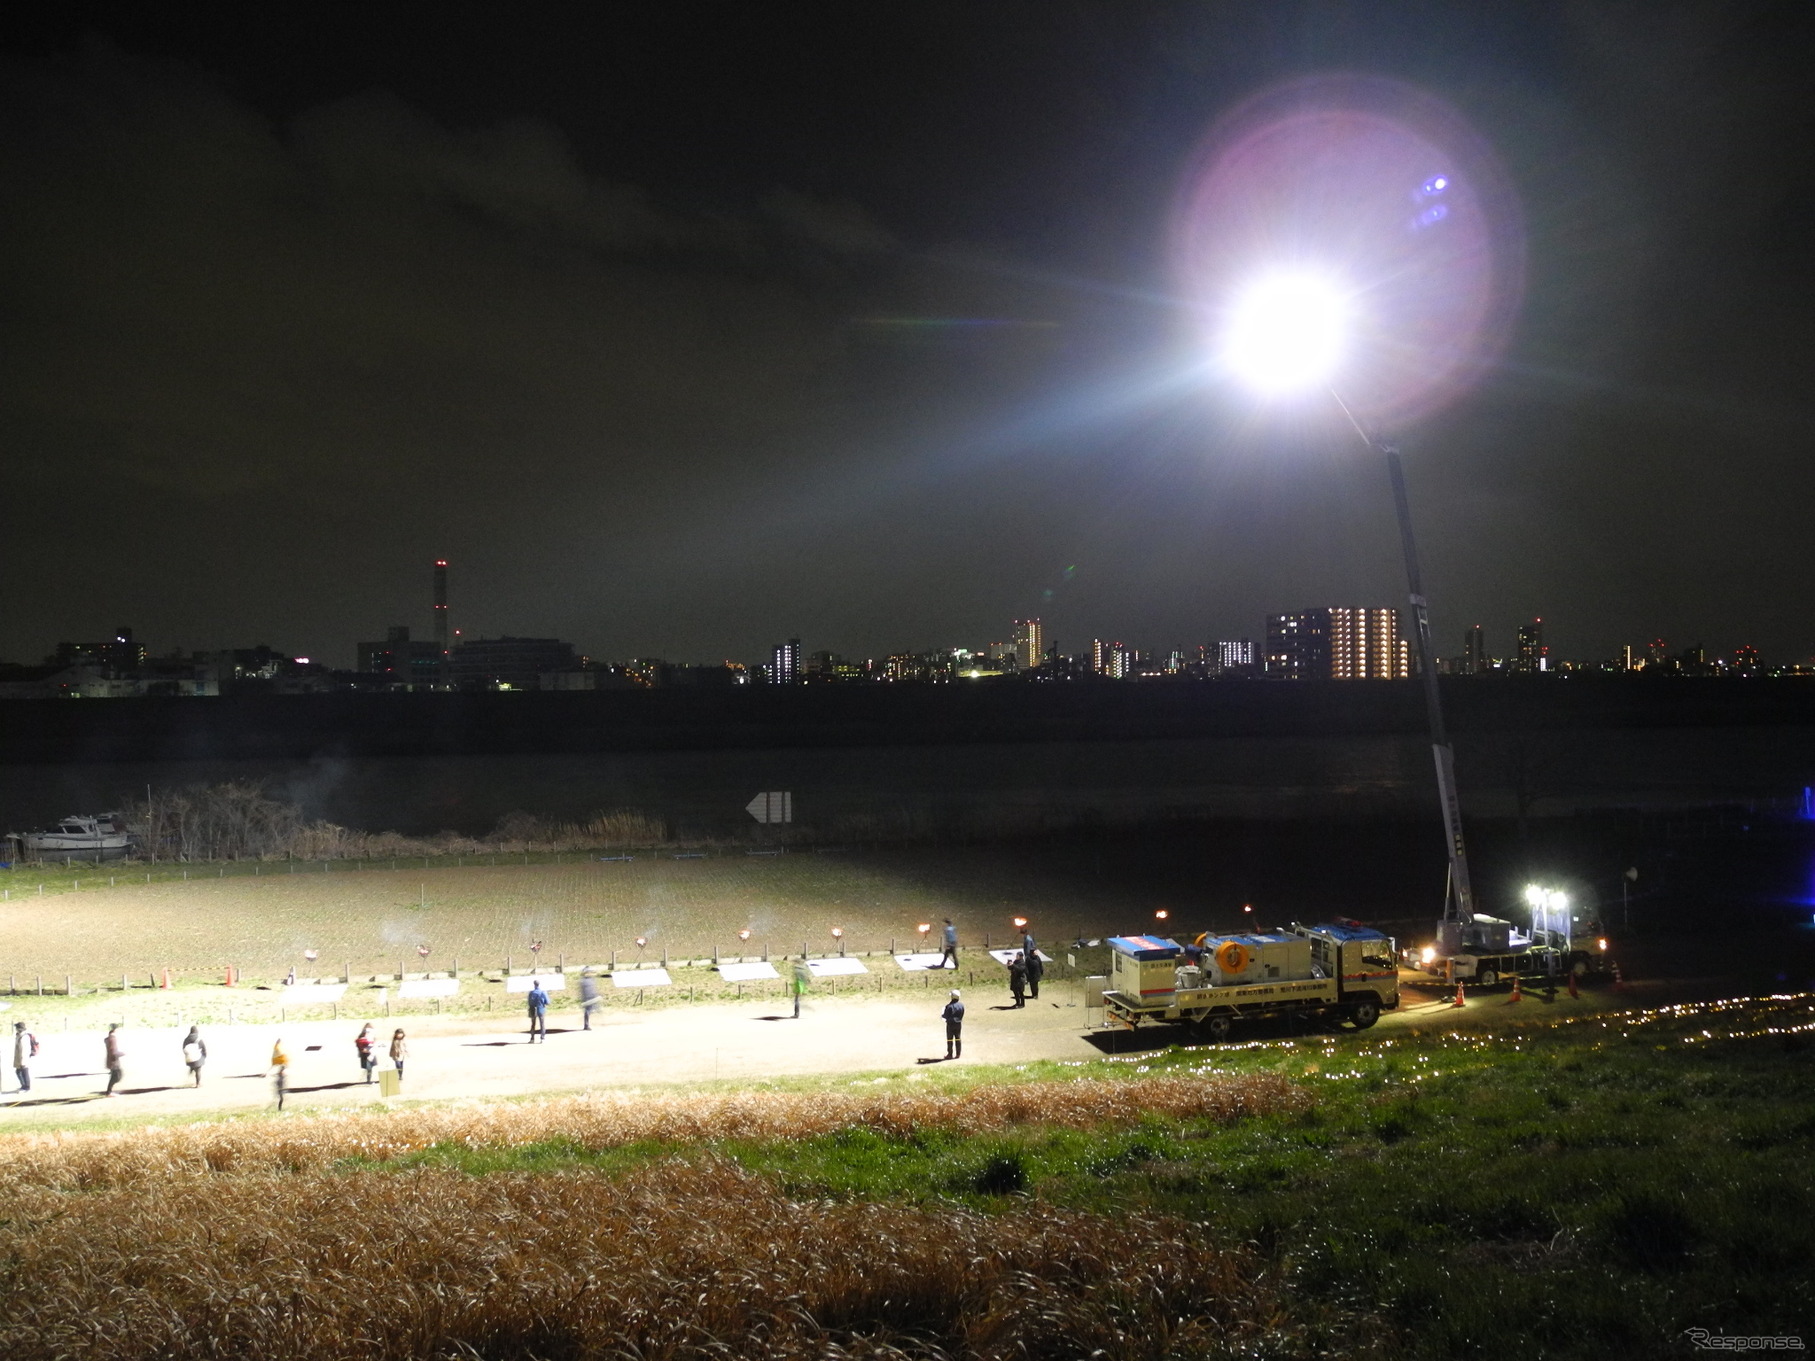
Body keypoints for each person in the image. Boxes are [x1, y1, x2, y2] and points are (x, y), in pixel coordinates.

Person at [11, 1020, 37, 1094]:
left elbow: (24, 1050)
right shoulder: (19, 1035)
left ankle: (26, 1087)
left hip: (23, 1058)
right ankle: (24, 1086)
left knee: (24, 1072)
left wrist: (23, 1061)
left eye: (17, 1027)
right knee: (19, 1072)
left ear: (19, 1028)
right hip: (20, 1058)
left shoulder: (24, 1037)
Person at [942, 989, 964, 1060]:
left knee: (950, 1040)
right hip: (958, 1024)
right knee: (958, 1038)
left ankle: (950, 1054)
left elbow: (945, 1016)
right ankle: (958, 1054)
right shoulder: (961, 1005)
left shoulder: (949, 1006)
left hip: (950, 1025)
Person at [103, 1023, 124, 1096]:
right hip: (114, 1060)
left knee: (115, 1076)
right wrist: (120, 1053)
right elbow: (113, 1050)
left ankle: (109, 1091)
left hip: (112, 1060)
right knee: (117, 1076)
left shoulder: (109, 1038)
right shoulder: (112, 1039)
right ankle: (109, 1092)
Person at [270, 1038, 289, 1110]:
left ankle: (279, 1108)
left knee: (281, 1099)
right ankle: (279, 1109)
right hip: (280, 1088)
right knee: (281, 1099)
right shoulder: (281, 1075)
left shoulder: (280, 1075)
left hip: (280, 1088)